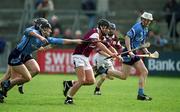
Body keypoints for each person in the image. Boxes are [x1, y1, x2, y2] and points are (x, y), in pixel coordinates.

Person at [0, 18, 83, 103]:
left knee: (36, 70)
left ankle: (14, 83)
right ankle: (4, 89)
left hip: (25, 55)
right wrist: (40, 37)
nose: (50, 31)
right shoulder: (33, 31)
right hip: (16, 56)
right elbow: (27, 31)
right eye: (47, 28)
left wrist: (76, 41)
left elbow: (61, 41)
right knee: (15, 78)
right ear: (41, 28)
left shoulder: (45, 37)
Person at [95, 12, 153, 101]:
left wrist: (147, 51)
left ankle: (140, 94)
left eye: (149, 21)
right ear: (142, 19)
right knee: (127, 75)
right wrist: (129, 51)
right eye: (146, 20)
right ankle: (104, 70)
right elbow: (127, 37)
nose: (147, 22)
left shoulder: (146, 29)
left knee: (141, 72)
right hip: (128, 53)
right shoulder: (137, 27)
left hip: (134, 53)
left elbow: (141, 42)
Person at [63, 19, 121, 104]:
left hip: (85, 58)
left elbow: (108, 46)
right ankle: (69, 98)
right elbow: (99, 44)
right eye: (107, 29)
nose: (108, 31)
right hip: (78, 56)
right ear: (102, 27)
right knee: (82, 80)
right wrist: (111, 54)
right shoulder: (94, 33)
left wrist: (117, 55)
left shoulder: (102, 36)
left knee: (91, 81)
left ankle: (69, 84)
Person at [93, 22, 125, 95]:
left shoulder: (116, 38)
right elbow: (99, 50)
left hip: (108, 58)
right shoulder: (103, 37)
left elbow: (119, 47)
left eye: (113, 29)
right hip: (100, 57)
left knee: (112, 76)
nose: (111, 30)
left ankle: (99, 71)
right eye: (110, 29)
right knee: (103, 77)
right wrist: (110, 55)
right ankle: (97, 89)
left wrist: (127, 51)